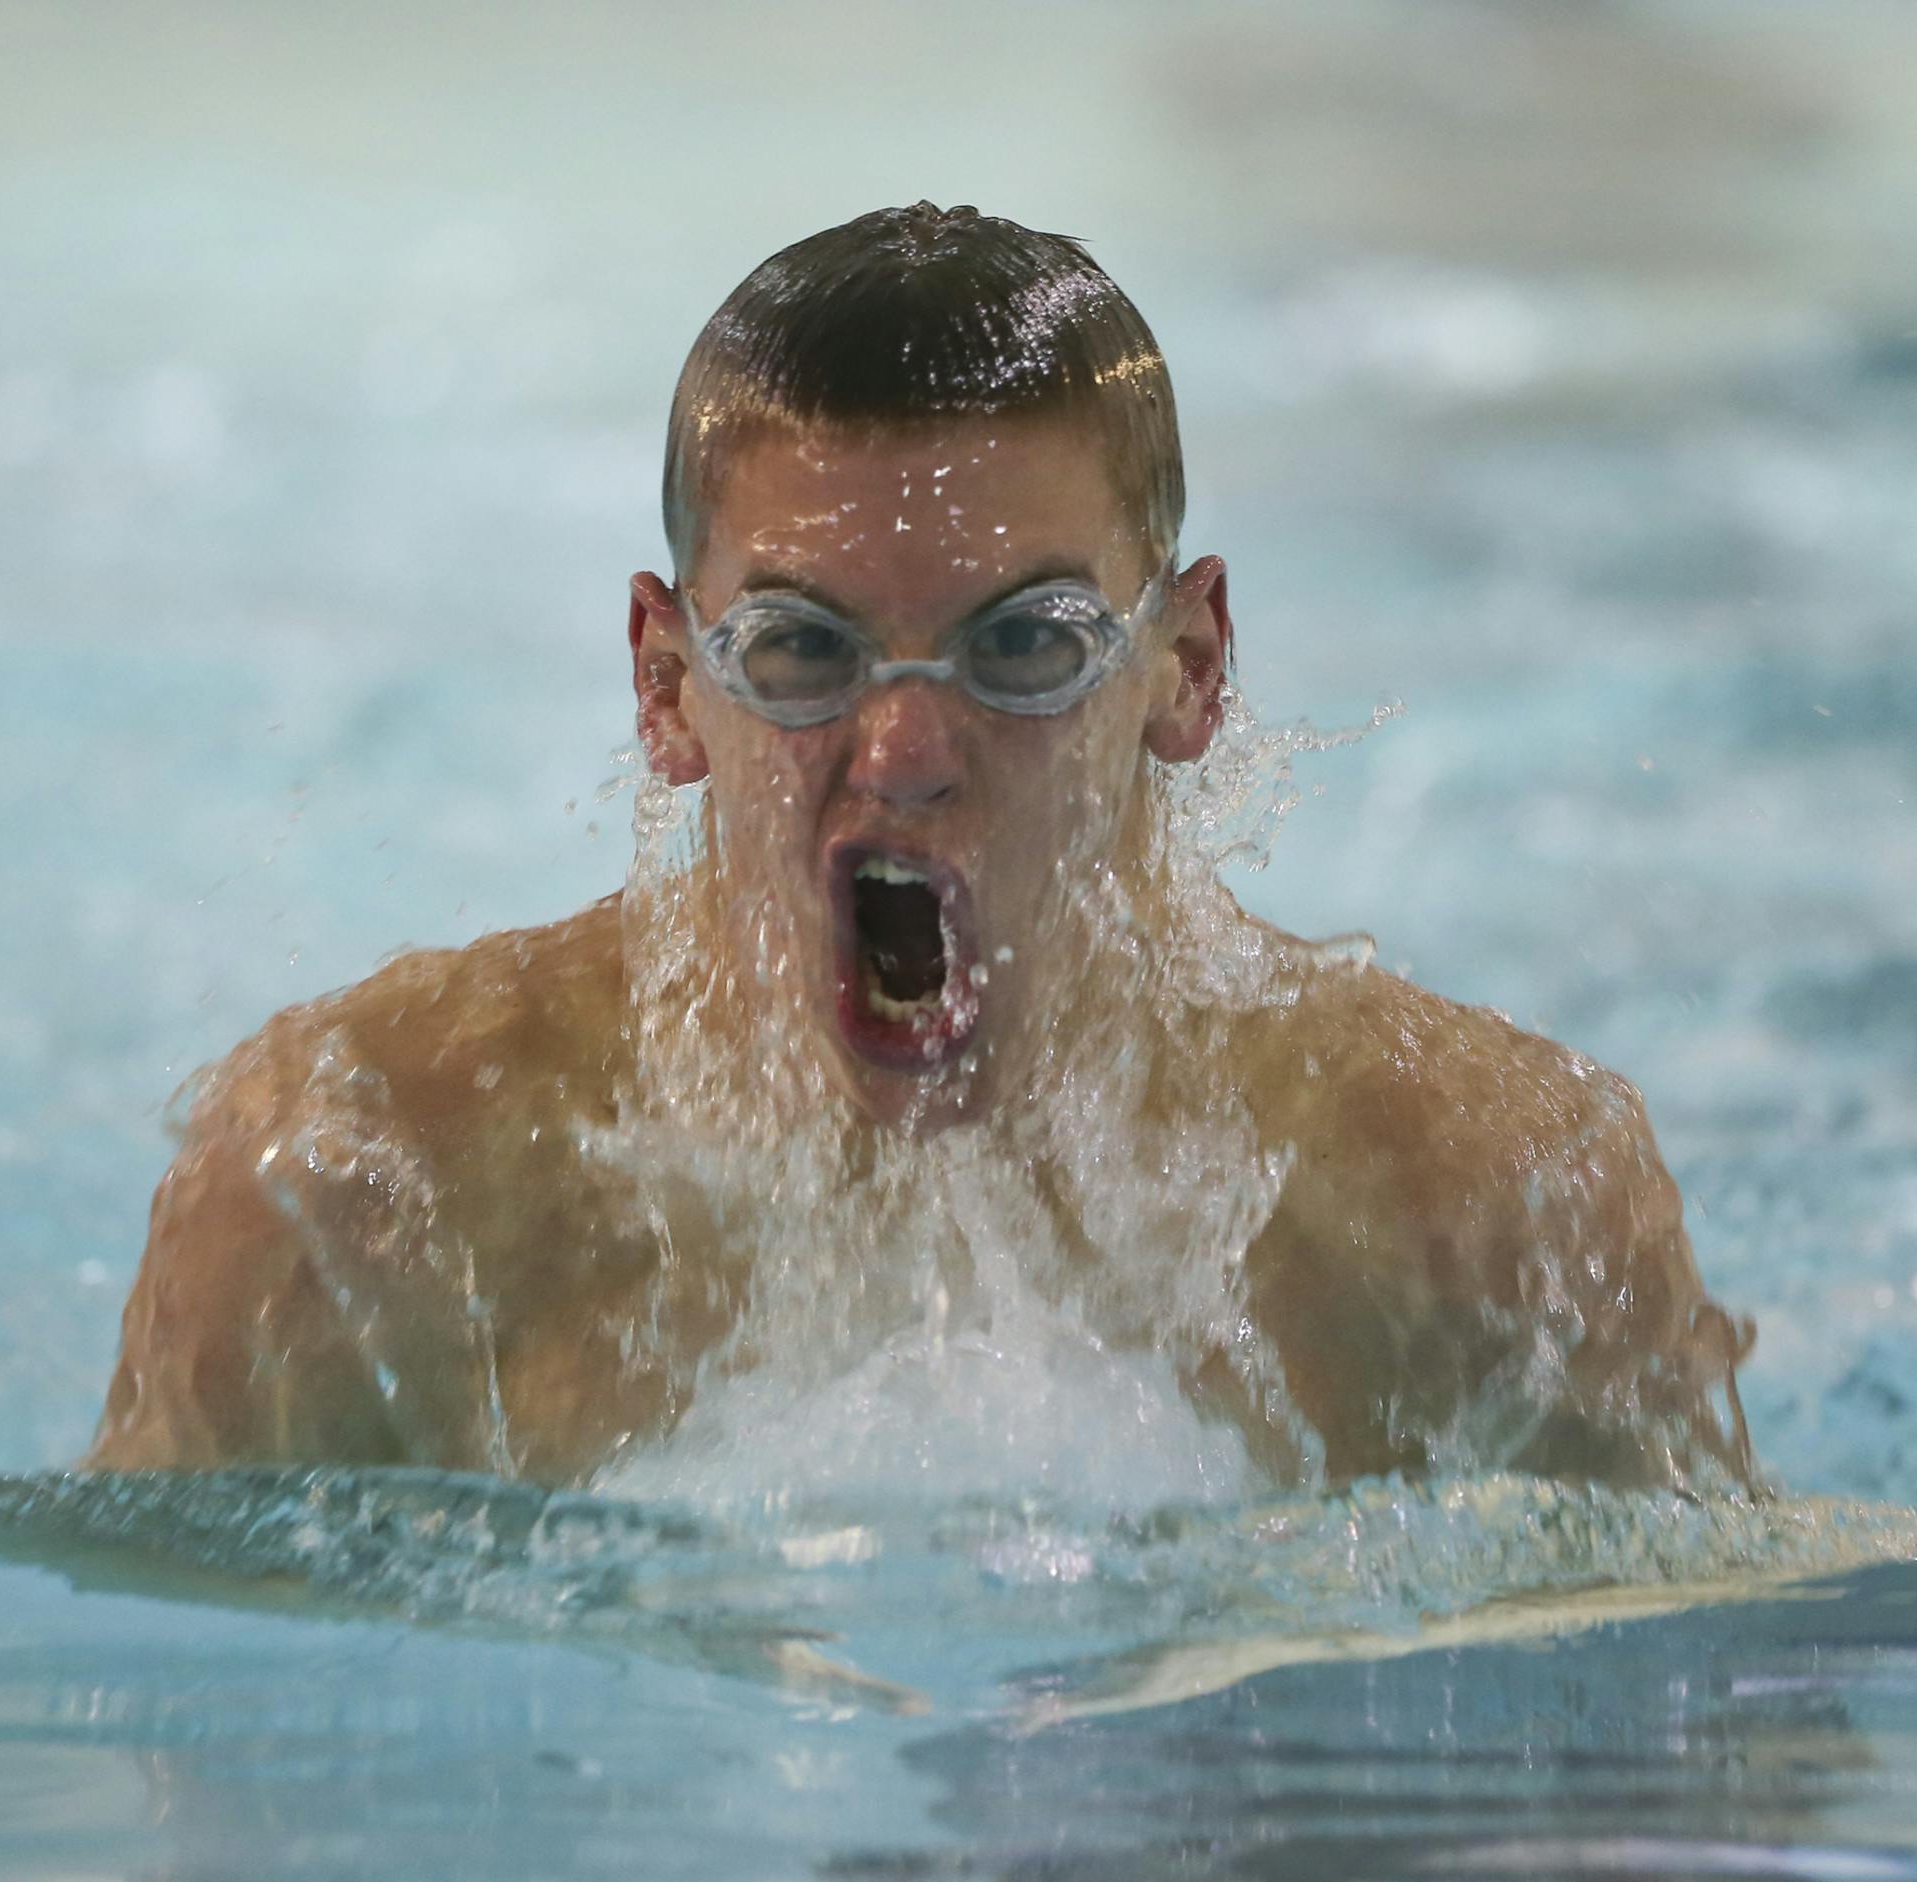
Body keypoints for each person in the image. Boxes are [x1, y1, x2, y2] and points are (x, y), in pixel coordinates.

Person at [88, 203, 1754, 1490]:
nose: (903, 754)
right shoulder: (358, 1203)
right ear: (670, 690)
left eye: (1023, 644)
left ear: (1186, 667)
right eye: (805, 650)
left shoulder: (1496, 1213)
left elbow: (1722, 1789)